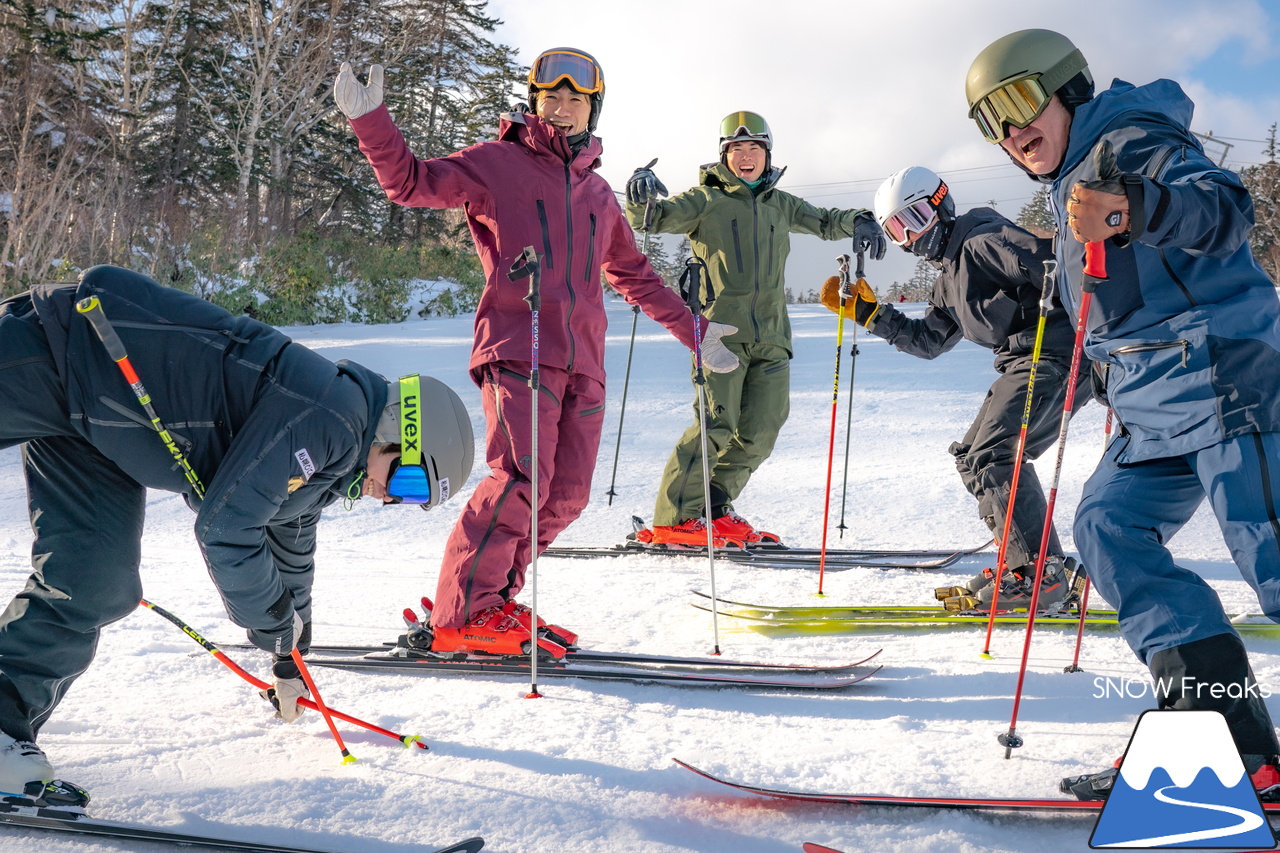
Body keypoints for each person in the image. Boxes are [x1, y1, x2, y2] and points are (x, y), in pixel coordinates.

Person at [0, 264, 474, 805]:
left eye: (410, 499)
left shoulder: (331, 462)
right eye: (407, 479)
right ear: (397, 428)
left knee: (95, 578)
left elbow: (288, 541)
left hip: (94, 427)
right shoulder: (332, 416)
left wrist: (288, 655)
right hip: (61, 349)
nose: (391, 496)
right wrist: (272, 625)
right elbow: (228, 526)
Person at [335, 48, 738, 654]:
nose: (564, 107)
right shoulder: (497, 164)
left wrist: (697, 334)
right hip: (518, 346)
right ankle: (463, 611)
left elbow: (635, 276)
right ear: (535, 101)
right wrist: (372, 122)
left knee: (566, 496)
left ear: (593, 109)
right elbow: (410, 183)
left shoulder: (600, 195)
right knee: (521, 477)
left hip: (585, 363)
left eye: (577, 99)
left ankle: (493, 598)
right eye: (553, 97)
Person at [964, 28, 1280, 799]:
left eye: (1017, 104)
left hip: (1223, 382)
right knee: (1108, 529)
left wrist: (1138, 206)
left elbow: (1227, 209)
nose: (1010, 133)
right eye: (990, 123)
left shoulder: (1129, 143)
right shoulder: (1074, 178)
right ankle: (1231, 745)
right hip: (1154, 412)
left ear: (1067, 87)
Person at [820, 166, 1086, 611]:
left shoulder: (983, 240)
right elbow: (930, 341)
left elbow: (1055, 261)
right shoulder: (949, 279)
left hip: (1055, 354)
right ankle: (1027, 562)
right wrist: (869, 314)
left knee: (995, 454)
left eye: (917, 217)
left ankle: (1040, 575)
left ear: (941, 203)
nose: (912, 235)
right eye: (897, 230)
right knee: (972, 456)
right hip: (1026, 362)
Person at [624, 111, 886, 547]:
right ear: (723, 156)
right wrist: (640, 192)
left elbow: (823, 221)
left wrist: (858, 219)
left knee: (765, 426)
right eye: (736, 150)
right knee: (714, 424)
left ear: (768, 155)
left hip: (773, 336)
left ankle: (713, 505)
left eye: (755, 149)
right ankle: (673, 518)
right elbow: (651, 219)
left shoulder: (781, 204)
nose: (746, 157)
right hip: (719, 333)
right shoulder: (704, 200)